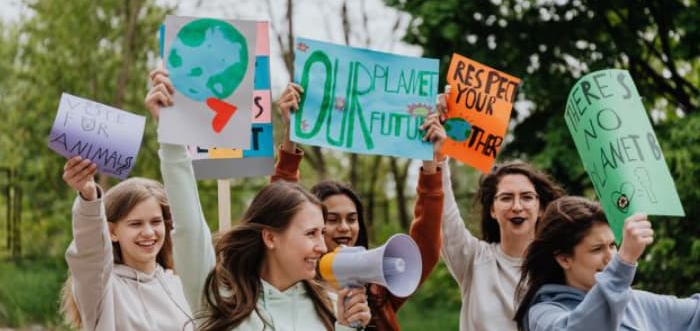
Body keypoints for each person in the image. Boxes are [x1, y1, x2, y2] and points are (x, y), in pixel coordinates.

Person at [146, 69, 371, 330]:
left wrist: (347, 327)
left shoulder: (332, 308)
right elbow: (190, 227)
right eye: (311, 233)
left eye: (322, 233)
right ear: (270, 237)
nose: (323, 245)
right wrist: (172, 135)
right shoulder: (220, 298)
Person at [274, 82, 446, 331]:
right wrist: (290, 136)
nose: (344, 228)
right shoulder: (294, 287)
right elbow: (282, 207)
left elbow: (425, 248)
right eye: (331, 219)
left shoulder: (377, 291)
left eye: (352, 219)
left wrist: (431, 165)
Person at [437, 82, 566, 331]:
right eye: (506, 198)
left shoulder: (560, 265)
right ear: (492, 209)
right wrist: (439, 155)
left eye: (527, 197)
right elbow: (443, 212)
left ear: (540, 208)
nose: (517, 206)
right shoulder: (473, 260)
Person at [514, 196, 700, 330]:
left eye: (613, 245)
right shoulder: (543, 314)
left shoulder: (635, 302)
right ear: (564, 259)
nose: (611, 257)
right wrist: (624, 261)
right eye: (597, 249)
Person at [60, 156, 193, 331]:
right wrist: (89, 197)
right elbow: (90, 252)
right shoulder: (102, 291)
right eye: (136, 224)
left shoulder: (181, 287)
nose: (148, 232)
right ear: (112, 232)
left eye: (155, 222)